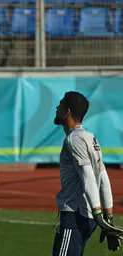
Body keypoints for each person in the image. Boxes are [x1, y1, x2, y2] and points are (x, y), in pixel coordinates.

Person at [52, 91, 123, 256]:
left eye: (60, 104)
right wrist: (108, 216)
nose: (57, 107)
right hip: (85, 216)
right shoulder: (90, 137)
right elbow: (103, 178)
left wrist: (99, 215)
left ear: (67, 111)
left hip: (75, 216)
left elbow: (88, 176)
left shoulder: (74, 139)